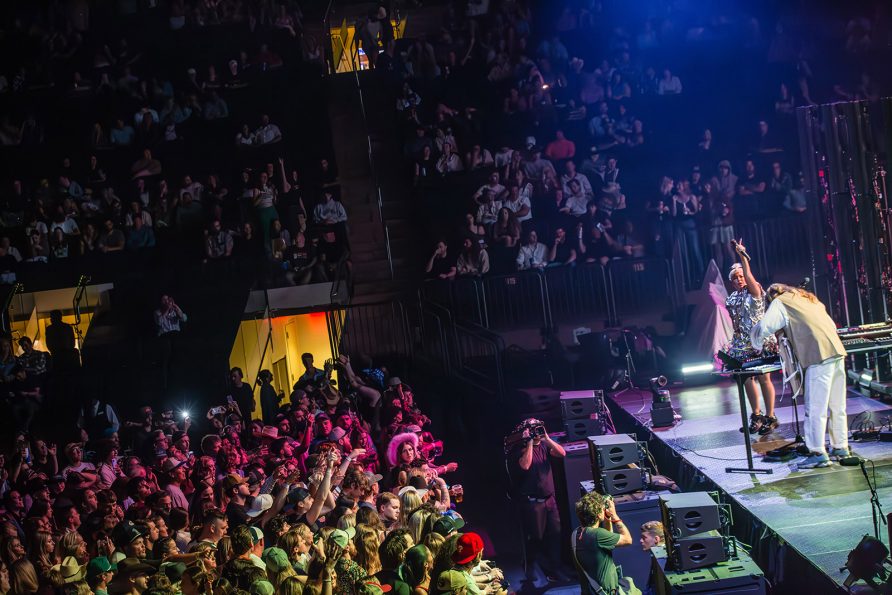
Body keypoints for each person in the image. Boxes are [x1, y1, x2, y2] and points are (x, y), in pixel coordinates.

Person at [751, 284, 848, 469]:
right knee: (837, 406)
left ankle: (817, 453)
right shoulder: (808, 299)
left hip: (818, 355)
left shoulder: (780, 302)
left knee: (815, 408)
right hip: (836, 352)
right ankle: (840, 447)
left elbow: (765, 326)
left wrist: (755, 342)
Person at [725, 240, 777, 435]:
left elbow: (749, 276)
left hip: (759, 341)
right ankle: (757, 415)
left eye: (741, 276)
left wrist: (742, 257)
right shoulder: (731, 298)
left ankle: (771, 416)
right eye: (735, 278)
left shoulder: (754, 292)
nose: (739, 279)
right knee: (747, 379)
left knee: (764, 378)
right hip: (741, 344)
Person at [510, 418, 566, 585]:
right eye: (534, 430)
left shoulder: (543, 446)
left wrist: (547, 438)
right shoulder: (519, 450)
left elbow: (562, 453)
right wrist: (528, 443)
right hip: (533, 503)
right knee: (536, 537)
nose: (537, 432)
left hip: (550, 500)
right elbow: (525, 466)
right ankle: (530, 567)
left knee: (556, 534)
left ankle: (555, 570)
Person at [572, 491, 638, 595]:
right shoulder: (597, 535)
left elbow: (607, 540)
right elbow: (628, 540)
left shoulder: (577, 533)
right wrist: (615, 516)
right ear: (598, 514)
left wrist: (608, 519)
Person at [154, 295, 187, 389]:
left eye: (167, 299)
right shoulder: (157, 312)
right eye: (164, 300)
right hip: (165, 337)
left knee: (178, 359)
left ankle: (180, 382)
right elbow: (159, 322)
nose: (166, 301)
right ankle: (166, 385)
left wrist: (176, 307)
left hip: (176, 335)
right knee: (167, 360)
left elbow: (184, 318)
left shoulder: (174, 310)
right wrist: (167, 310)